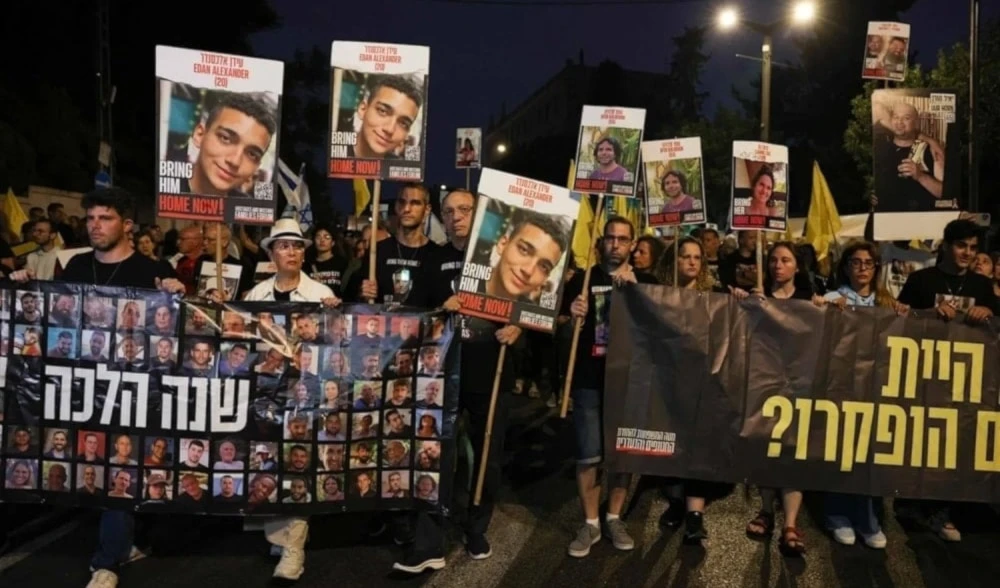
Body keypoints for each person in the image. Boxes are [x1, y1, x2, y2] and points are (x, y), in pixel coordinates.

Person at [12, 187, 185, 588]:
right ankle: (125, 544)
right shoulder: (74, 266)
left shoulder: (151, 269)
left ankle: (106, 562)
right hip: (83, 388)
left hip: (130, 391)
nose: (94, 226)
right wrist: (24, 286)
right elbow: (53, 315)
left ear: (127, 225)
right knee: (91, 465)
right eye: (90, 218)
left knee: (119, 467)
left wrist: (177, 293)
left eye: (105, 218)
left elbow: (174, 330)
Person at [243, 218, 339, 582]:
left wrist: (334, 315)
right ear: (271, 253)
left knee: (299, 461)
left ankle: (294, 545)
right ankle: (283, 536)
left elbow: (336, 346)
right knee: (269, 462)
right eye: (283, 246)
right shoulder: (256, 295)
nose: (292, 252)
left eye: (297, 245)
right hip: (267, 393)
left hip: (304, 393)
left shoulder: (319, 293)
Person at [435, 188, 523, 562]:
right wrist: (440, 308)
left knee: (488, 454)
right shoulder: (434, 258)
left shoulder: (501, 258)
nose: (456, 216)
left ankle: (476, 525)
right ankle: (438, 519)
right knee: (440, 451)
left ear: (478, 213)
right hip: (445, 374)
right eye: (448, 211)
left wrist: (518, 326)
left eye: (464, 209)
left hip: (491, 371)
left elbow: (530, 303)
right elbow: (415, 311)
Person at [893, 220, 996, 542]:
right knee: (922, 442)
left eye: (973, 247)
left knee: (955, 444)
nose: (967, 253)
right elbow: (900, 319)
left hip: (967, 380)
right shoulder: (921, 280)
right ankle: (912, 504)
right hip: (925, 375)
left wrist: (987, 311)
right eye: (961, 245)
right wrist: (927, 313)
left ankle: (942, 510)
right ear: (946, 245)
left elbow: (995, 326)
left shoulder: (982, 286)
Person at [563, 216, 658, 558]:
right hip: (589, 378)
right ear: (601, 241)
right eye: (610, 238)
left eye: (623, 239)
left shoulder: (647, 282)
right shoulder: (583, 280)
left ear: (633, 244)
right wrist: (572, 314)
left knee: (622, 454)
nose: (615, 244)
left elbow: (662, 329)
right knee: (588, 454)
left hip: (630, 382)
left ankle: (614, 517)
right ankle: (590, 523)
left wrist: (637, 294)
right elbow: (559, 326)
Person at [734, 241, 824, 556]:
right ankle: (766, 510)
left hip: (799, 386)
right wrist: (744, 303)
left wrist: (823, 308)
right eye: (773, 260)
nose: (777, 266)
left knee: (793, 451)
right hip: (764, 384)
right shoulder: (760, 297)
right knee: (766, 448)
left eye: (785, 260)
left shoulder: (808, 299)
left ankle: (791, 523)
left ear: (797, 266)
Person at [822, 241, 907, 549]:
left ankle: (868, 518)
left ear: (876, 268)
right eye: (856, 262)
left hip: (875, 388)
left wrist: (903, 314)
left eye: (868, 263)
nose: (862, 268)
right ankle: (837, 515)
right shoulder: (834, 297)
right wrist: (824, 308)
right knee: (841, 452)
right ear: (846, 267)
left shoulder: (887, 302)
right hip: (841, 387)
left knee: (870, 454)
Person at [348, 183, 442, 307]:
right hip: (383, 319)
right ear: (396, 206)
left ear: (427, 209)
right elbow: (351, 297)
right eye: (402, 202)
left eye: (415, 203)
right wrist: (363, 293)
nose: (406, 209)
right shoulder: (377, 251)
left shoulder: (437, 255)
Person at [180, 92, 277, 198]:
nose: (235, 161)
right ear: (200, 135)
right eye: (225, 138)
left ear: (256, 167)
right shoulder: (168, 186)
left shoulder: (250, 205)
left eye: (252, 154)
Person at [476, 209, 573, 302]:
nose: (528, 271)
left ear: (545, 279)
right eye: (524, 250)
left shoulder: (533, 312)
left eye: (544, 267)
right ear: (503, 244)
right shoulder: (469, 284)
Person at [872, 99, 945, 211]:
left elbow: (945, 194)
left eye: (906, 118)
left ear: (916, 122)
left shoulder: (931, 150)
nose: (900, 122)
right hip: (886, 216)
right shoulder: (880, 148)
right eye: (896, 117)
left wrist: (921, 176)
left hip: (920, 217)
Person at [349, 74, 423, 159]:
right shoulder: (337, 153)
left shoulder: (401, 165)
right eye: (382, 111)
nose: (390, 129)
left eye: (403, 123)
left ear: (407, 134)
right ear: (363, 109)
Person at [306, 224, 349, 296]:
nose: (322, 240)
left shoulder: (342, 263)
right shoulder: (307, 264)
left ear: (333, 242)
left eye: (327, 237)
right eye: (318, 237)